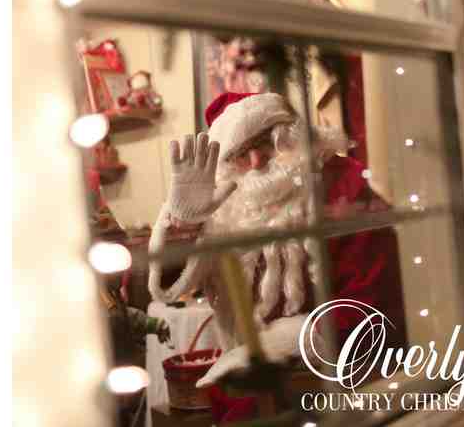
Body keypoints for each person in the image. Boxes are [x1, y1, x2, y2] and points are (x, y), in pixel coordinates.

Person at [148, 92, 405, 389]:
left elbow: (374, 299)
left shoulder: (345, 183)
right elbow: (174, 285)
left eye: (265, 142)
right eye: (240, 154)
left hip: (350, 372)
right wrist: (183, 226)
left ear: (291, 133)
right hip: (260, 377)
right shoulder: (224, 201)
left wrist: (287, 342)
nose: (257, 161)